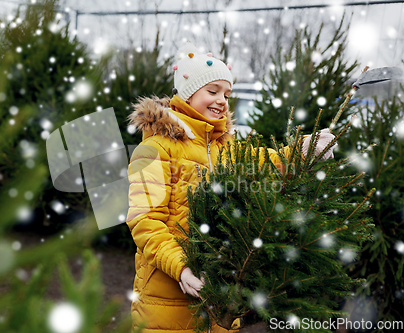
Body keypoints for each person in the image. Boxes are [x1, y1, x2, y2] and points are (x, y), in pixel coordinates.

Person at [125, 43, 337, 333]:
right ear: (187, 94)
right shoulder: (153, 149)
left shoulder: (226, 148)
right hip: (167, 296)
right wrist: (181, 267)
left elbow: (265, 162)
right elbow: (146, 222)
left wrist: (304, 149)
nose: (222, 101)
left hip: (222, 295)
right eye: (212, 91)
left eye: (226, 94)